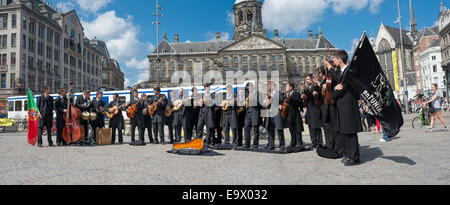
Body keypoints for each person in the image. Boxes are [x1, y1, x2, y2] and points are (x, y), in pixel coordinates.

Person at [324, 50, 363, 166]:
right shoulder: (341, 73)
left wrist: (330, 69)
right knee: (345, 132)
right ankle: (348, 154)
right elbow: (338, 83)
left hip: (348, 106)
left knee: (350, 132)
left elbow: (343, 85)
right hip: (342, 106)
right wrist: (335, 88)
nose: (333, 61)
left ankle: (355, 157)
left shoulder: (348, 71)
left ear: (340, 60)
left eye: (334, 59)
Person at [264, 81, 286, 151]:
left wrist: (273, 96)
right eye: (267, 86)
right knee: (270, 130)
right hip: (269, 114)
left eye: (269, 86)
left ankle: (282, 145)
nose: (267, 87)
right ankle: (271, 145)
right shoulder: (267, 95)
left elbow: (282, 99)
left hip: (276, 113)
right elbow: (265, 105)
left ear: (273, 86)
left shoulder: (278, 93)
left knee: (279, 129)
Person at [303, 74, 323, 149]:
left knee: (317, 126)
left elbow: (313, 98)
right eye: (306, 80)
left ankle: (320, 142)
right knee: (311, 127)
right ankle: (314, 142)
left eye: (308, 79)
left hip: (315, 109)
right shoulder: (308, 88)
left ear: (312, 79)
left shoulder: (316, 87)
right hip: (309, 110)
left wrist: (306, 91)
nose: (307, 81)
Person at [283, 82, 304, 152]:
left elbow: (300, 103)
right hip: (289, 114)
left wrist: (291, 99)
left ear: (291, 87)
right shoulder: (287, 95)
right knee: (291, 130)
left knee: (297, 129)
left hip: (295, 114)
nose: (285, 87)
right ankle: (293, 142)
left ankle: (299, 143)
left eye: (287, 86)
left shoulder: (296, 93)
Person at [243, 82, 262, 150]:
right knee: (246, 127)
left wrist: (253, 100)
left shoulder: (258, 93)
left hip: (255, 112)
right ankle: (247, 144)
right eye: (247, 87)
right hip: (248, 113)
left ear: (252, 86)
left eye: (249, 87)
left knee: (255, 129)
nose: (248, 88)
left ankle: (255, 144)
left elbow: (261, 103)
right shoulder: (247, 94)